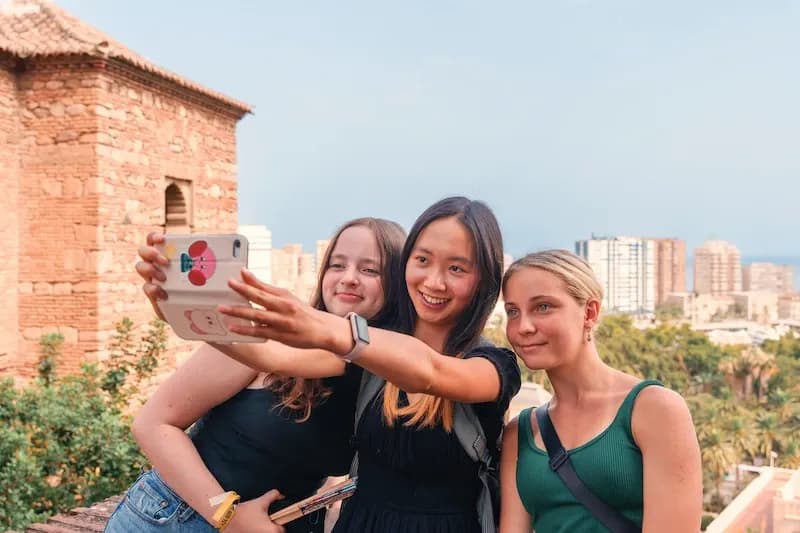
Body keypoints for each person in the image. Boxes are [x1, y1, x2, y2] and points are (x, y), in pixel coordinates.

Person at [216, 196, 522, 533]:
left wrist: (331, 330)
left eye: (457, 269)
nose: (434, 282)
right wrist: (194, 313)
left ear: (484, 279)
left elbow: (429, 372)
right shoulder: (372, 347)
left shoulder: (494, 366)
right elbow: (273, 356)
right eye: (422, 260)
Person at [104, 217, 406, 533]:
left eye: (370, 270)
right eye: (337, 265)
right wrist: (226, 515)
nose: (349, 278)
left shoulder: (381, 371)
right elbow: (153, 424)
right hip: (178, 518)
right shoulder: (268, 332)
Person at [498, 250, 702, 533]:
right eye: (512, 311)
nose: (524, 327)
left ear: (589, 312)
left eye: (543, 307)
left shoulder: (654, 409)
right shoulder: (519, 433)